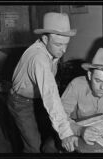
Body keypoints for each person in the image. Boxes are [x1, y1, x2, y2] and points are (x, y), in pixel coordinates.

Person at [7, 12, 78, 153]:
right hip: (21, 102)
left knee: (48, 137)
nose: (63, 50)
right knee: (33, 146)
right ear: (45, 39)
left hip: (38, 98)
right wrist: (65, 133)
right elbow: (50, 95)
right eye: (58, 44)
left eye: (66, 44)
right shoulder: (38, 58)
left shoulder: (52, 50)